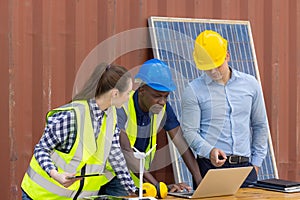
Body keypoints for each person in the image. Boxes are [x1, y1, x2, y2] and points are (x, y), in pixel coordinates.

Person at [21, 63, 136, 199]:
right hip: (41, 196)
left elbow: (116, 155)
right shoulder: (72, 117)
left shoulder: (111, 116)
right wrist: (56, 174)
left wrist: (134, 190)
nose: (129, 97)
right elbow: (41, 150)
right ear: (115, 93)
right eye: (128, 93)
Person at [181, 30, 269, 187]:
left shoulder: (251, 84)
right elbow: (189, 132)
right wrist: (210, 151)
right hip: (210, 168)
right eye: (208, 68)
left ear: (227, 56)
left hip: (245, 169)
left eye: (217, 66)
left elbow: (260, 125)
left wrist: (256, 165)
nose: (213, 72)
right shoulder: (193, 90)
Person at [117, 58, 202, 193]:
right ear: (142, 90)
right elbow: (126, 152)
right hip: (117, 179)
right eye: (157, 95)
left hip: (140, 178)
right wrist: (158, 187)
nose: (162, 102)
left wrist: (200, 182)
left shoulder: (163, 108)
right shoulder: (122, 106)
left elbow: (182, 144)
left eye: (166, 96)